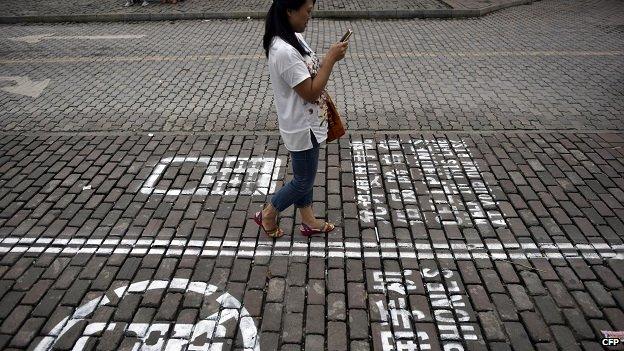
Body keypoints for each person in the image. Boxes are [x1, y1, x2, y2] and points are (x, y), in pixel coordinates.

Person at [252, 0, 349, 238]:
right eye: (307, 11)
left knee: (303, 176)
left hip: (308, 122)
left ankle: (308, 220)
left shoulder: (292, 37)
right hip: (301, 126)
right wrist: (330, 60)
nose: (309, 17)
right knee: (303, 181)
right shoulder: (284, 50)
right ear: (289, 10)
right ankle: (268, 213)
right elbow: (311, 91)